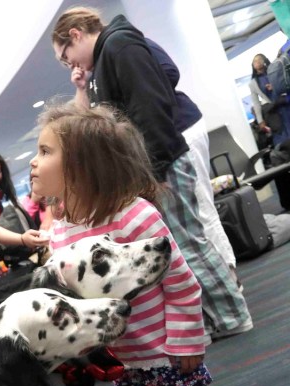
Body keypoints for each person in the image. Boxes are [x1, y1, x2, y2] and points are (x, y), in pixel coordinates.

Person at [30, 101, 268, 386]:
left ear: (81, 164)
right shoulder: (63, 225)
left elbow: (181, 284)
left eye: (44, 151)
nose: (33, 161)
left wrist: (184, 342)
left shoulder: (133, 216)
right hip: (129, 356)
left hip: (165, 348)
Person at [51, 7, 252, 340]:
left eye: (66, 56)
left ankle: (232, 316)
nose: (69, 63)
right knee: (185, 244)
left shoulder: (119, 46)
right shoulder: (107, 58)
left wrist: (154, 168)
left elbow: (150, 108)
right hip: (158, 163)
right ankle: (224, 316)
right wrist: (84, 86)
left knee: (190, 244)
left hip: (164, 161)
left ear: (75, 34)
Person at [147, 38, 240, 292]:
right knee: (198, 214)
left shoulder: (129, 45)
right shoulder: (103, 64)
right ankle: (227, 277)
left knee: (202, 212)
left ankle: (230, 280)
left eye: (66, 55)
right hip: (180, 130)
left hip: (183, 128)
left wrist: (150, 96)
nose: (70, 64)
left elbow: (170, 71)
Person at [249, 53, 290, 146]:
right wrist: (260, 121)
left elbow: (285, 84)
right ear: (253, 65)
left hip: (285, 103)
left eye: (259, 59)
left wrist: (275, 86)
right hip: (274, 110)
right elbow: (256, 103)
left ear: (264, 61)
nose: (257, 62)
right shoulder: (253, 83)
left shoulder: (275, 72)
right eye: (255, 61)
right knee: (282, 135)